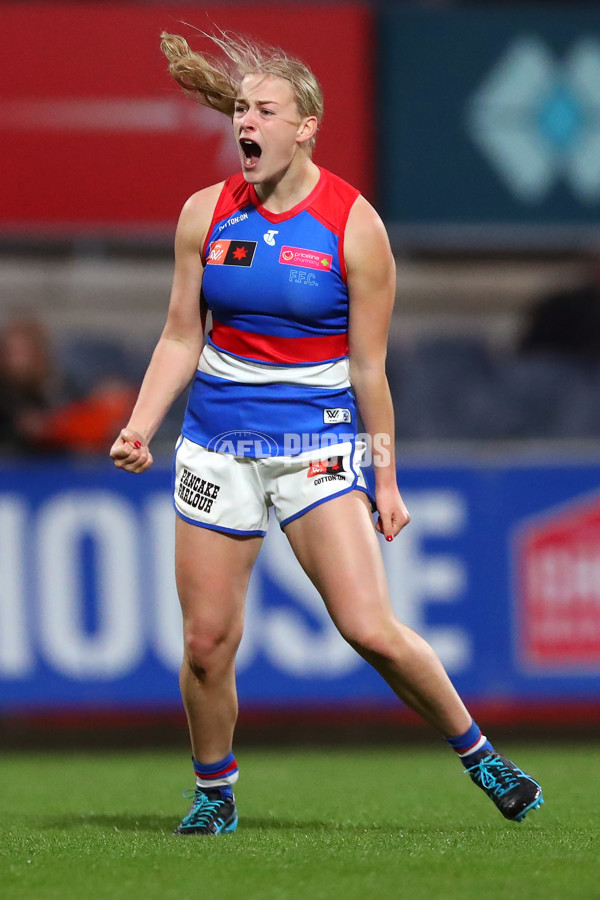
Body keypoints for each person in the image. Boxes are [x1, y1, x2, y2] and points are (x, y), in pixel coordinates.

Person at [110, 30, 543, 835]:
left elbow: (369, 370)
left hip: (312, 447)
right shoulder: (205, 214)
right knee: (207, 643)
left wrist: (384, 478)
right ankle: (215, 794)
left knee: (367, 628)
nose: (246, 123)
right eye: (240, 109)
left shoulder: (354, 225)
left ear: (305, 125)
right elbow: (180, 335)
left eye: (264, 110)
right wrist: (141, 425)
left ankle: (480, 752)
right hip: (216, 446)